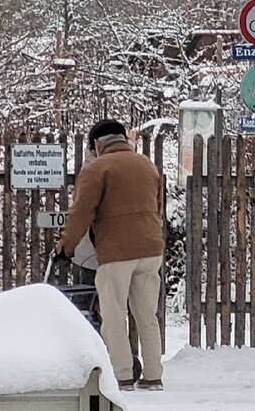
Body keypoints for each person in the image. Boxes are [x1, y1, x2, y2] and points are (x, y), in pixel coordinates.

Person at [56, 119, 164, 392]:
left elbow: (82, 213)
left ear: (97, 143)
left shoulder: (97, 168)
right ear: (122, 139)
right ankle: (153, 376)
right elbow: (157, 206)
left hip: (116, 252)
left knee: (115, 315)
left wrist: (67, 247)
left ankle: (123, 376)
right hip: (151, 250)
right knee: (146, 315)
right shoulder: (147, 165)